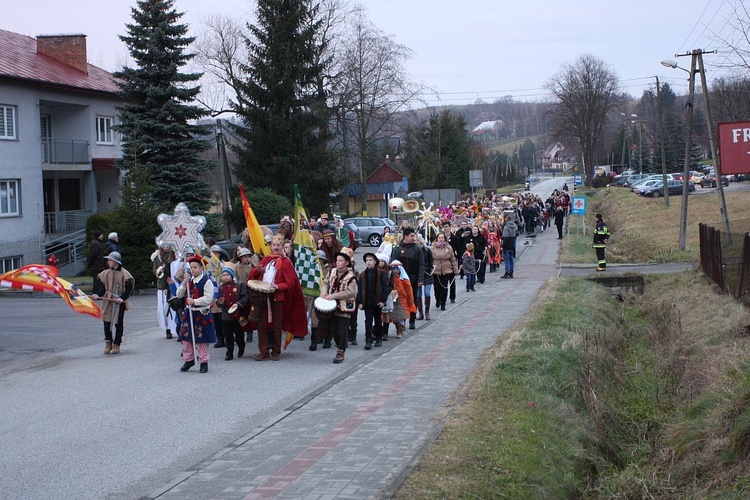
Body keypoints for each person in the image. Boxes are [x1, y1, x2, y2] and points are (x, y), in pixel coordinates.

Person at [248, 234, 307, 361]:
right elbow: (253, 275)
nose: (275, 247)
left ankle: (276, 351)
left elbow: (291, 282)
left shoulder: (286, 262)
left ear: (282, 247)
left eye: (278, 245)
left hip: (277, 297)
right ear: (270, 246)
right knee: (261, 325)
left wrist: (278, 286)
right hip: (263, 296)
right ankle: (263, 351)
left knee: (276, 326)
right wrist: (258, 270)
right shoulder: (267, 259)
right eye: (273, 245)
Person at [176, 255, 217, 373]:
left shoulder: (206, 281)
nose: (193, 269)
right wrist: (183, 285)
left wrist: (195, 301)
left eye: (195, 267)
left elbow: (208, 298)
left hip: (201, 312)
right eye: (191, 267)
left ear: (201, 268)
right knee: (186, 337)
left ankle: (204, 361)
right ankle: (189, 359)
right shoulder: (189, 281)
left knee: (201, 338)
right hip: (189, 312)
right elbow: (179, 294)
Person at [91, 252, 134, 355]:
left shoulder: (125, 274)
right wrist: (97, 295)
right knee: (106, 321)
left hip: (119, 301)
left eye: (110, 260)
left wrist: (122, 298)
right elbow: (103, 288)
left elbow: (129, 289)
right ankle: (108, 342)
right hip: (108, 300)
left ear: (115, 261)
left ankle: (117, 344)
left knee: (118, 323)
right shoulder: (106, 273)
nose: (108, 262)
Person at [319, 251, 358, 363]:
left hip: (344, 307)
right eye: (337, 260)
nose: (338, 263)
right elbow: (326, 283)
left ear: (346, 263)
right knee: (333, 329)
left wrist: (334, 295)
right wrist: (324, 292)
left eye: (341, 261)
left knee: (342, 329)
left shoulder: (351, 277)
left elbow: (351, 292)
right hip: (332, 306)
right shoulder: (332, 271)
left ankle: (341, 351)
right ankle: (339, 343)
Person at [390, 227, 424, 330]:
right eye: (412, 236)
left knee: (412, 299)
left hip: (413, 279)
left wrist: (420, 279)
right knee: (401, 300)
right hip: (400, 280)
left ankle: (412, 320)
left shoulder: (417, 249)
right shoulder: (397, 249)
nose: (414, 238)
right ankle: (402, 321)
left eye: (414, 236)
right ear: (405, 236)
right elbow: (393, 263)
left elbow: (421, 264)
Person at [357, 252, 390, 350]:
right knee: (368, 320)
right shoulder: (362, 275)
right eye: (367, 260)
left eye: (370, 260)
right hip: (367, 301)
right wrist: (359, 302)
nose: (368, 262)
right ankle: (368, 340)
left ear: (375, 262)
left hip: (377, 301)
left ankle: (379, 337)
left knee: (378, 320)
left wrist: (383, 301)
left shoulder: (381, 273)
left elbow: (385, 287)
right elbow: (360, 289)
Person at [217, 265, 247, 360]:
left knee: (239, 333)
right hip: (226, 314)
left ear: (231, 276)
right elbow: (219, 301)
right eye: (223, 275)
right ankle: (229, 353)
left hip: (237, 313)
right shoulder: (221, 288)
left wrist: (238, 304)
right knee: (228, 335)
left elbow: (245, 297)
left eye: (227, 275)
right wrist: (220, 302)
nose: (225, 277)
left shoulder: (239, 285)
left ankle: (241, 347)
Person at [387, 260, 417, 339]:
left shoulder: (404, 279)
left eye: (397, 269)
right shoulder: (389, 278)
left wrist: (410, 302)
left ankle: (400, 331)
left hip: (402, 300)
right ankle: (397, 328)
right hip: (392, 299)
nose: (395, 271)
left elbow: (409, 291)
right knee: (393, 316)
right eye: (394, 269)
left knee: (401, 316)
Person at [151, 245, 175, 339]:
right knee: (164, 309)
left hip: (172, 284)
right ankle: (167, 329)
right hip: (162, 286)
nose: (165, 247)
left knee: (172, 308)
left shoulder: (173, 255)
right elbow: (154, 269)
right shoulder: (158, 256)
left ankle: (172, 328)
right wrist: (159, 270)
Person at [431, 232, 459, 311]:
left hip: (446, 270)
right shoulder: (432, 248)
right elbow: (429, 259)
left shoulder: (449, 248)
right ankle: (437, 300)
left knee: (444, 287)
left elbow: (452, 260)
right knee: (436, 288)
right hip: (436, 270)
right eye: (439, 237)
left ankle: (443, 302)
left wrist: (455, 270)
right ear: (437, 238)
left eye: (442, 237)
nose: (441, 239)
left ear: (445, 239)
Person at [416, 235, 433, 320]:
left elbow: (431, 261)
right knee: (418, 294)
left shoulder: (427, 250)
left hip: (427, 274)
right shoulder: (414, 251)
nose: (418, 242)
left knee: (427, 293)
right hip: (418, 275)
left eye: (419, 241)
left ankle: (427, 312)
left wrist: (432, 268)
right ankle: (420, 312)